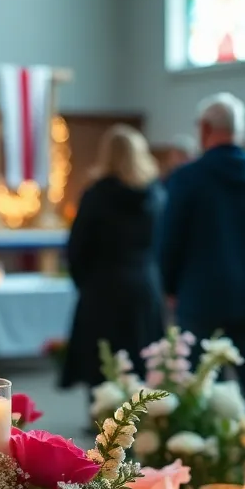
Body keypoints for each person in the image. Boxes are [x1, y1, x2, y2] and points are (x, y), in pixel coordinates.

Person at [160, 93, 245, 407]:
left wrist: (170, 286)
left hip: (200, 298)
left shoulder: (188, 178)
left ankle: (200, 455)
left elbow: (169, 240)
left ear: (204, 128)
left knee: (198, 386)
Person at [62, 125, 166, 392]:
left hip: (103, 287)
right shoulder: (156, 196)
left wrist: (84, 282)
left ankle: (101, 422)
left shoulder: (96, 196)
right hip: (144, 284)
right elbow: (164, 243)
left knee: (102, 364)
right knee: (141, 358)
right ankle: (142, 422)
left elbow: (76, 248)